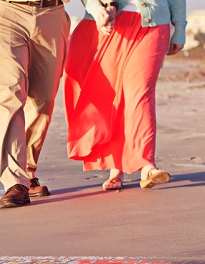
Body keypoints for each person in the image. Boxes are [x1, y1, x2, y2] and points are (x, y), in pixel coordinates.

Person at [64, 0, 186, 190]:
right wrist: (97, 11)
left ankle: (146, 165)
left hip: (154, 23)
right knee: (109, 95)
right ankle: (115, 165)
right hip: (110, 23)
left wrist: (180, 27)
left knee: (140, 92)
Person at [0, 0, 71, 208]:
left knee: (45, 99)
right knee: (9, 95)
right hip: (5, 11)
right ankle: (15, 181)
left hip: (52, 13)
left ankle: (27, 171)